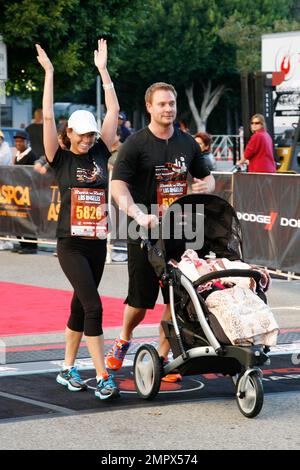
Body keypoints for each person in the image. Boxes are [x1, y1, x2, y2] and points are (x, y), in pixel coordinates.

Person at [107, 82, 215, 381]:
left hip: (182, 232)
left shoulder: (188, 144)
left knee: (178, 298)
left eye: (172, 103)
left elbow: (207, 178)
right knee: (141, 303)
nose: (168, 109)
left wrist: (207, 185)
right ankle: (124, 337)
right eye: (162, 104)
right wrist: (137, 214)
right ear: (150, 108)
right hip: (144, 232)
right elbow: (118, 185)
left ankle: (163, 357)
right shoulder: (136, 144)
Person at [36, 38, 120, 400]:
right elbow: (50, 114)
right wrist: (50, 73)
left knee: (78, 305)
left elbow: (113, 112)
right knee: (93, 306)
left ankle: (67, 367)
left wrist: (103, 72)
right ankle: (102, 374)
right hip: (70, 243)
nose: (87, 140)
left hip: (97, 242)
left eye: (90, 134)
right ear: (69, 134)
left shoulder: (101, 149)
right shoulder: (60, 157)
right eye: (81, 135)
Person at [12, 130, 38, 254]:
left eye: (21, 141)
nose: (18, 143)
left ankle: (31, 245)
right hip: (18, 192)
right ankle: (22, 243)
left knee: (28, 219)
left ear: (27, 142)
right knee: (19, 218)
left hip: (29, 193)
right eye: (16, 141)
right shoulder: (17, 155)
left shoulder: (32, 156)